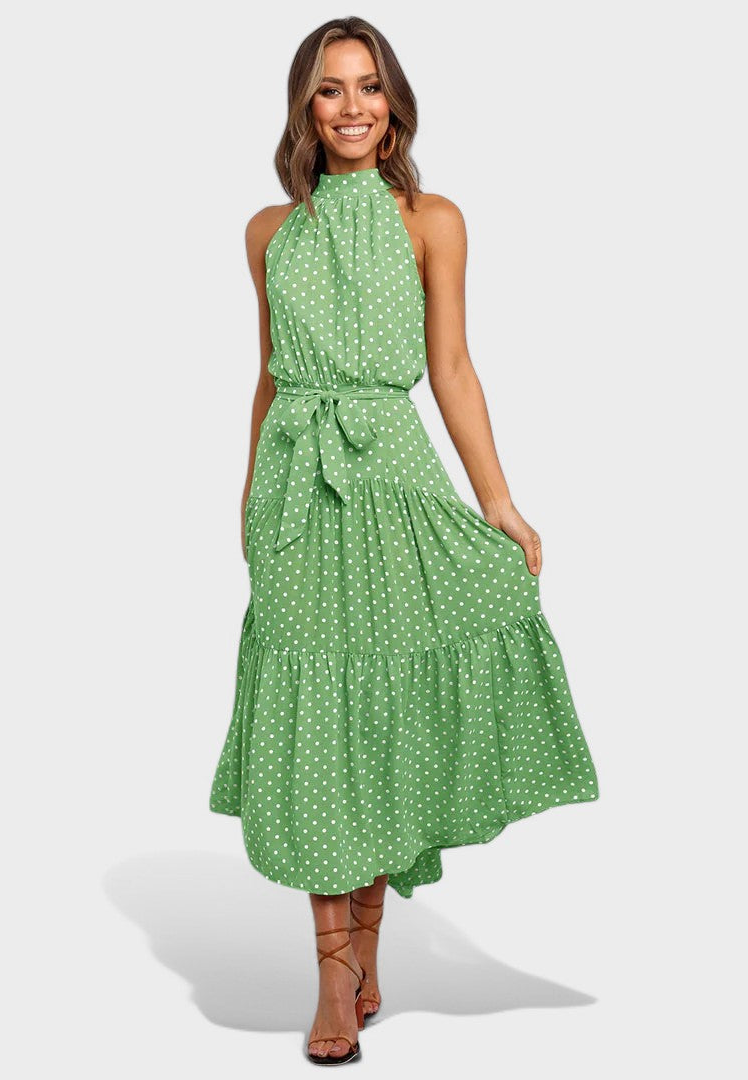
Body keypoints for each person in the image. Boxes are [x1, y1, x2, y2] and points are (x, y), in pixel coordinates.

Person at [209, 16, 600, 1064]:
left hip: (392, 476)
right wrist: (249, 495)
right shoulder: (267, 232)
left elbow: (453, 367)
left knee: (379, 710)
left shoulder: (433, 220)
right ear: (305, 107)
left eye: (369, 86)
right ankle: (333, 971)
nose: (352, 106)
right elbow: (269, 375)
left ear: (394, 106)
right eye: (331, 88)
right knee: (315, 717)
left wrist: (500, 502)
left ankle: (359, 956)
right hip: (296, 494)